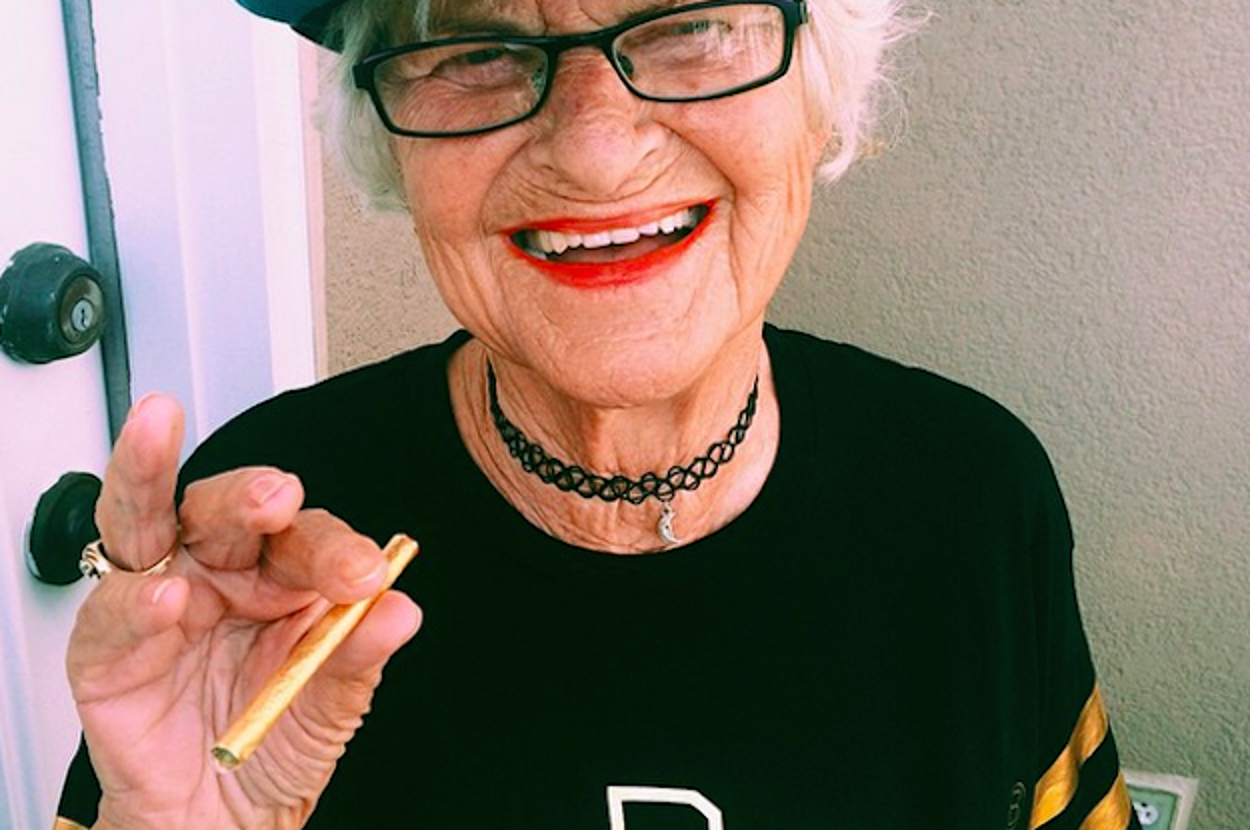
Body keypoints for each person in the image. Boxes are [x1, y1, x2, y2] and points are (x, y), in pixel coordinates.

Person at [55, 0, 1142, 828]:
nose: (592, 146)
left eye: (690, 22)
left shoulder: (967, 490)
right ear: (392, 146)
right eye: (473, 48)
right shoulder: (278, 545)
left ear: (819, 91)